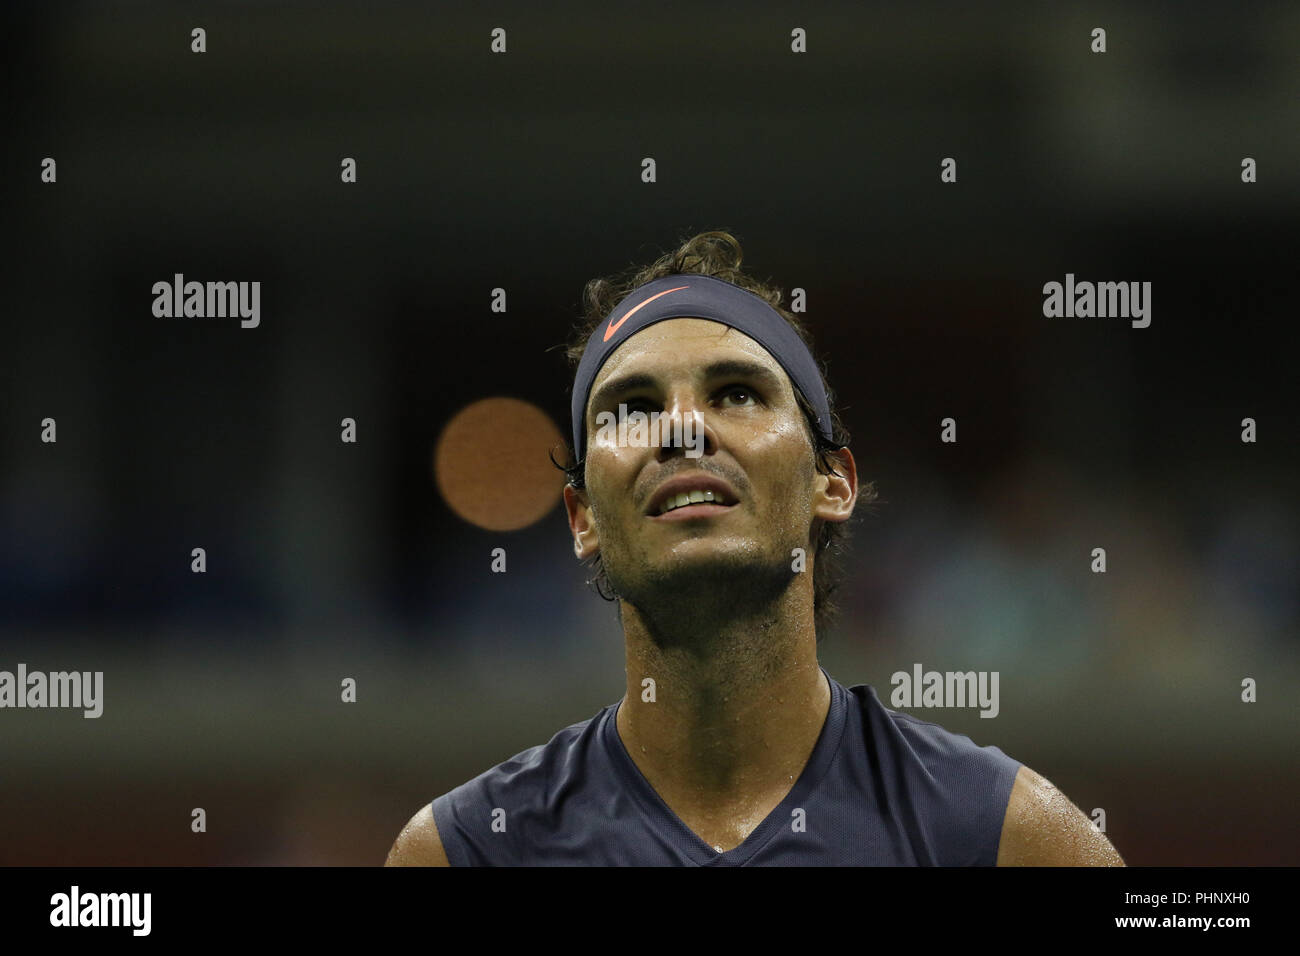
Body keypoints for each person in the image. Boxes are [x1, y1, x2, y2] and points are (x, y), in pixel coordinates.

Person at [387, 231, 1125, 866]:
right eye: (634, 407)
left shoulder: (1008, 837)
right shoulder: (466, 851)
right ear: (581, 518)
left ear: (831, 483)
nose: (682, 429)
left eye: (737, 392)